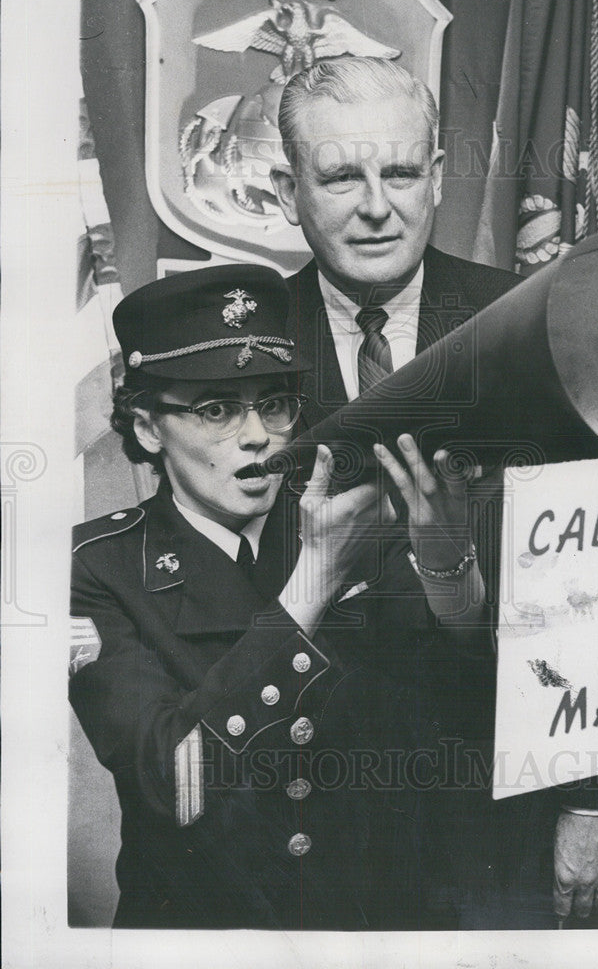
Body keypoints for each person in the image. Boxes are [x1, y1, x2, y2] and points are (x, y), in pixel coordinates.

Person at [270, 56, 598, 924]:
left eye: (400, 171)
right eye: (339, 176)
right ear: (290, 191)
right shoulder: (233, 349)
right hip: (294, 819)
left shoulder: (538, 331)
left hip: (489, 815)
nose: (375, 205)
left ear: (436, 175)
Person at [69, 264, 488, 929]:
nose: (257, 435)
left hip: (370, 928)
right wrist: (313, 582)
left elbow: (457, 701)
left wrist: (446, 565)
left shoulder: (348, 526)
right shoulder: (96, 568)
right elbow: (170, 783)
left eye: (273, 403)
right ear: (147, 428)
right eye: (215, 409)